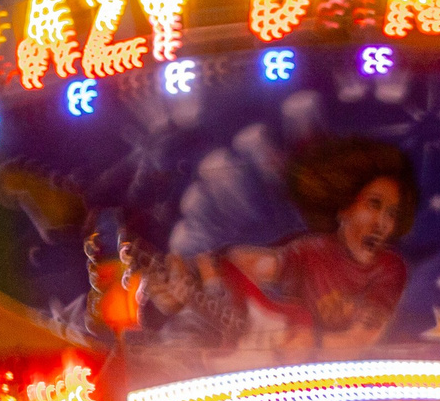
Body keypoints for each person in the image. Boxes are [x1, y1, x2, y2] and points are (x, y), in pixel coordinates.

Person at [142, 136, 418, 355]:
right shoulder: (309, 252)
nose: (382, 223)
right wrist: (191, 275)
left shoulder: (390, 269)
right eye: (374, 205)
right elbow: (253, 263)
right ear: (344, 207)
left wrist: (309, 342)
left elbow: (359, 339)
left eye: (392, 214)